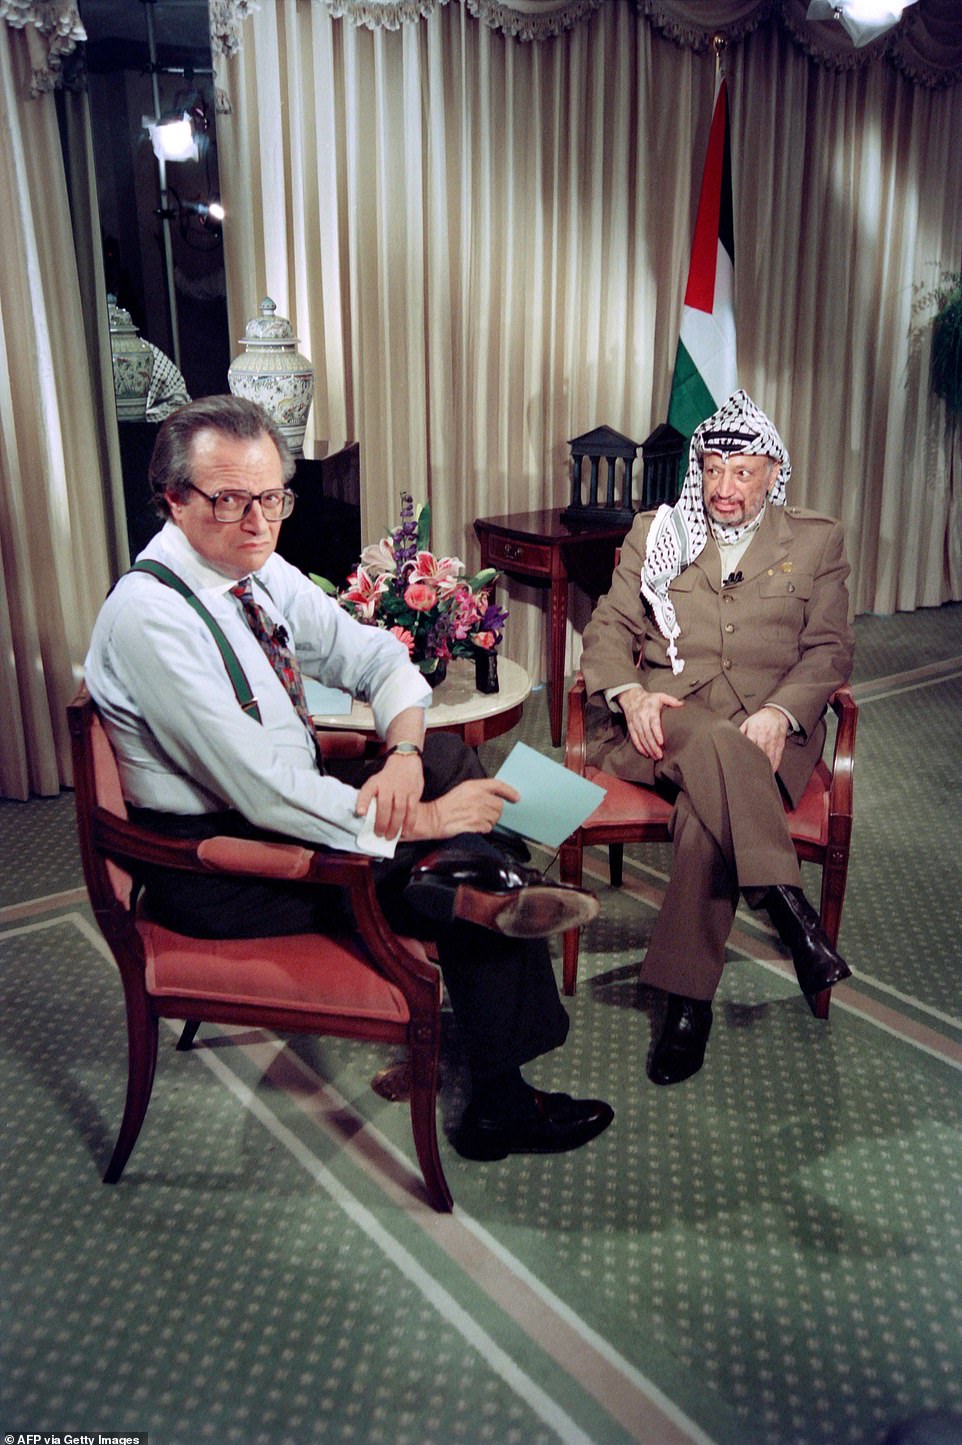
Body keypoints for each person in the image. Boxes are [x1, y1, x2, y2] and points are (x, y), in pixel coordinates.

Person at [85, 395, 613, 1162]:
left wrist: (401, 757)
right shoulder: (150, 616)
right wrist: (425, 822)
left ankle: (466, 886)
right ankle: (494, 1056)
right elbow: (263, 791)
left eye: (272, 498)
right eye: (229, 500)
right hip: (220, 864)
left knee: (443, 760)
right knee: (461, 844)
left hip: (275, 809)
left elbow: (374, 658)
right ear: (172, 498)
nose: (258, 522)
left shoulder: (258, 572)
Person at [580, 389, 854, 1085]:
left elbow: (828, 651)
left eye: (742, 472)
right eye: (712, 470)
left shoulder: (816, 539)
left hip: (768, 732)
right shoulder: (659, 531)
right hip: (665, 721)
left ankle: (685, 1003)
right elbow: (610, 627)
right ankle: (789, 910)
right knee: (710, 752)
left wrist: (783, 714)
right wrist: (629, 691)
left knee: (707, 817)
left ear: (772, 473)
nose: (723, 488)